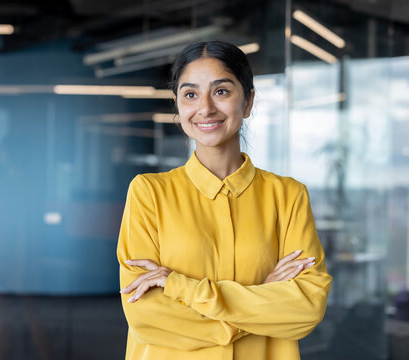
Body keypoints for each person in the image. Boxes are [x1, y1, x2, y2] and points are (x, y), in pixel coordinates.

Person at [116, 40, 332, 360]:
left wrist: (180, 287)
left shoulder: (288, 196)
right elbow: (146, 315)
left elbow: (307, 307)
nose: (205, 108)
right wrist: (261, 300)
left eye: (221, 91)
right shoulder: (148, 193)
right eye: (190, 94)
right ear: (178, 104)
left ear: (247, 102)